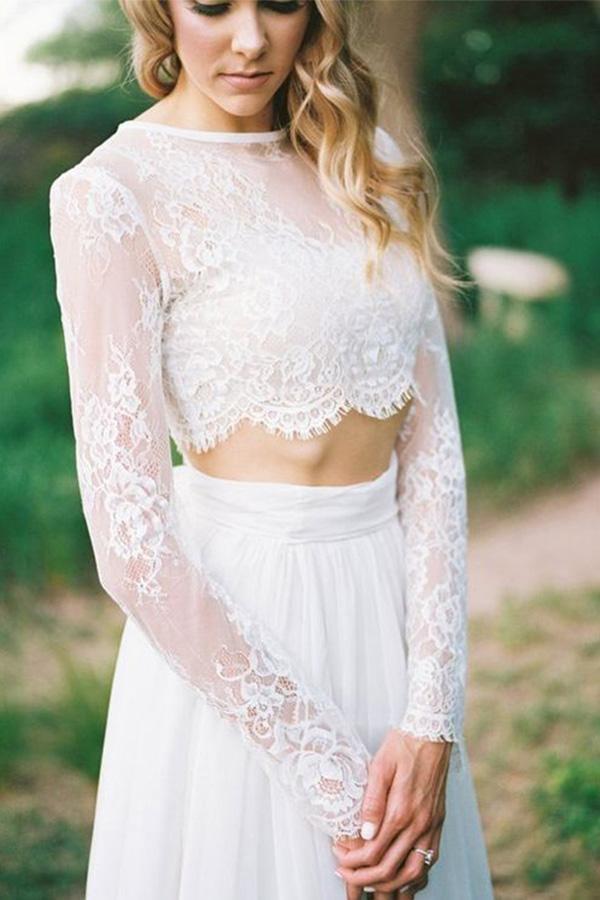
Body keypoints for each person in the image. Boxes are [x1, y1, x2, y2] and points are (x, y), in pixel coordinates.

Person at [47, 1, 495, 897]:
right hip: (242, 652)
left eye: (281, 2)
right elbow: (132, 543)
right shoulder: (112, 194)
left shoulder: (376, 165)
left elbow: (434, 456)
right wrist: (342, 788)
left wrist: (431, 716)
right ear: (159, 10)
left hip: (387, 624)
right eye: (213, 5)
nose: (250, 39)